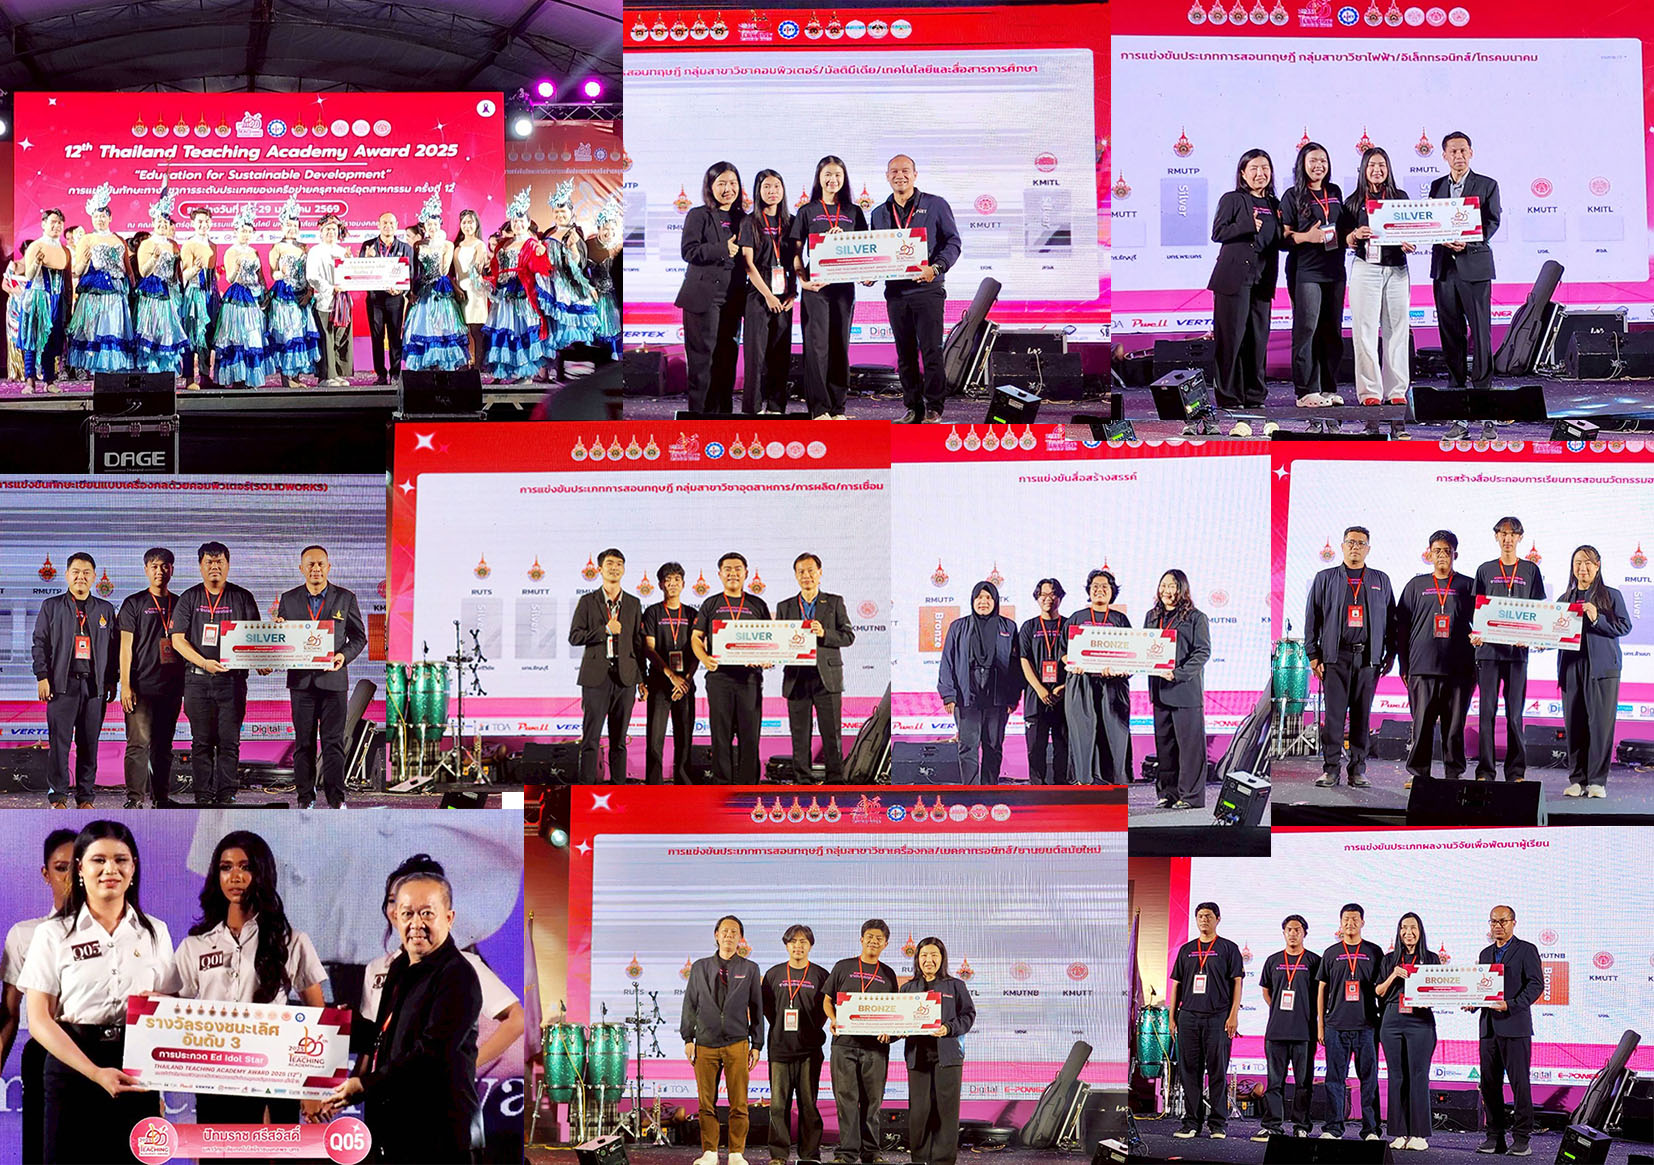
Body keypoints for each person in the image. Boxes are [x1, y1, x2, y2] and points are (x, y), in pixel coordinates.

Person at [20, 821, 176, 1165]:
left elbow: (170, 1008)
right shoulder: (52, 933)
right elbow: (39, 1020)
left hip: (136, 1072)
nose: (110, 869)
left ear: (133, 867)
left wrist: (164, 1008)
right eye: (98, 860)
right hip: (72, 1064)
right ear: (80, 868)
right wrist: (94, 1072)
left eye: (120, 860)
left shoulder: (156, 932)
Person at [321, 870, 483, 1164]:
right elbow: (387, 1038)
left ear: (449, 918)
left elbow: (431, 1054)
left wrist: (365, 1084)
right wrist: (346, 1024)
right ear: (395, 917)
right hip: (395, 1133)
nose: (416, 924)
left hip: (441, 1139)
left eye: (427, 913)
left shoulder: (457, 975)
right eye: (408, 913)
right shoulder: (399, 968)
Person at [174, 830, 327, 1127]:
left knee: (270, 1152)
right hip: (214, 1080)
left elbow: (318, 1018)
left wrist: (313, 1087)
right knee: (217, 1152)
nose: (235, 876)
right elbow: (167, 1011)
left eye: (246, 867)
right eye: (226, 867)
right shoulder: (196, 945)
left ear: (263, 873)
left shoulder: (292, 942)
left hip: (275, 1080)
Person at [357, 855, 526, 1083]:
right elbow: (371, 1044)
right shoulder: (378, 969)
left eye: (423, 907)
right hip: (387, 1091)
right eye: (393, 901)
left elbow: (516, 1019)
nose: (401, 910)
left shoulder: (463, 965)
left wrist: (467, 1065)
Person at [0, 828, 77, 1165]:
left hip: (101, 1054)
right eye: (61, 868)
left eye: (79, 866)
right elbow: (9, 1013)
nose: (71, 877)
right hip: (43, 1056)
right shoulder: (24, 935)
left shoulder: (124, 933)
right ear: (46, 874)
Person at [170, 541, 266, 806]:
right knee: (201, 741)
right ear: (200, 566)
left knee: (229, 741)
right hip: (197, 681)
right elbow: (177, 640)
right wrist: (204, 663)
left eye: (220, 562)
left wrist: (263, 661)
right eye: (209, 562)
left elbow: (256, 637)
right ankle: (202, 795)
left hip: (232, 681)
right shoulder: (189, 598)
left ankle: (227, 794)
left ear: (228, 565)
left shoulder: (242, 597)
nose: (215, 567)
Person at [276, 545, 368, 807]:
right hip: (301, 683)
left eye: (320, 564)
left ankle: (336, 800)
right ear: (301, 568)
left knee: (333, 744)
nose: (315, 569)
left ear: (328, 567)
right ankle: (305, 798)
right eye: (310, 564)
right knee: (303, 744)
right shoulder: (288, 599)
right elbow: (282, 641)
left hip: (333, 682)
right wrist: (278, 630)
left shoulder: (345, 598)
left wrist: (343, 656)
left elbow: (359, 637)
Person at [871, 155, 961, 424]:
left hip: (927, 289)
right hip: (896, 293)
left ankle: (934, 408)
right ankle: (913, 408)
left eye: (905, 171)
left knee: (932, 351)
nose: (900, 175)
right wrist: (869, 273)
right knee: (905, 353)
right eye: (894, 171)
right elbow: (875, 252)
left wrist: (936, 267)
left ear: (915, 175)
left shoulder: (935, 205)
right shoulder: (879, 213)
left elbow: (953, 242)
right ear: (887, 176)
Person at [1305, 527, 1397, 788]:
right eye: (1351, 542)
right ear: (1342, 546)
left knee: (1362, 716)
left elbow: (1392, 620)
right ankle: (1331, 769)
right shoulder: (1325, 578)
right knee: (1334, 717)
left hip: (1368, 658)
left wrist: (1390, 653)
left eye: (1361, 543)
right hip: (1335, 658)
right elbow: (1312, 618)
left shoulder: (1381, 579)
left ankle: (1357, 769)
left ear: (1368, 549)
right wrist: (1313, 654)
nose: (1355, 547)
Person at [31, 552, 118, 808]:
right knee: (59, 744)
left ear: (94, 577)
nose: (81, 577)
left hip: (93, 686)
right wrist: (42, 676)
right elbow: (39, 643)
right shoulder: (52, 606)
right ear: (67, 575)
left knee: (89, 744)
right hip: (61, 685)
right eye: (76, 572)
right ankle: (58, 796)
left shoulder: (104, 609)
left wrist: (111, 681)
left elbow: (113, 649)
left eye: (86, 573)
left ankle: (85, 797)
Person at [1468, 517, 1546, 781]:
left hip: (1517, 654)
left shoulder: (1530, 570)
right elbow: (1476, 610)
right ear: (1496, 537)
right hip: (1488, 653)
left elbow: (1538, 610)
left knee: (1514, 714)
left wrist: (1532, 636)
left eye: (1513, 534)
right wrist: (1476, 634)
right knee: (1486, 713)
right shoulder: (1485, 569)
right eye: (1503, 533)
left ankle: (1515, 771)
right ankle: (1485, 770)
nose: (1508, 538)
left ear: (1520, 538)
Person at [682, 915, 764, 1165]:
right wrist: (688, 1038)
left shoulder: (750, 969)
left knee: (739, 1102)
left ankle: (736, 1152)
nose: (729, 935)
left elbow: (757, 1008)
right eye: (725, 931)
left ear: (741, 938)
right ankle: (710, 1152)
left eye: (734, 932)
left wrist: (757, 1044)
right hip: (705, 1043)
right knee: (706, 1102)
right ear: (716, 935)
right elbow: (690, 1004)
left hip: (737, 1042)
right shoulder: (700, 967)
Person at [1396, 531, 1476, 787]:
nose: (1442, 555)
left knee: (1454, 727)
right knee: (1421, 725)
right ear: (1428, 554)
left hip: (1460, 669)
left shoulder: (1468, 586)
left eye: (1447, 551)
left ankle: (1454, 774)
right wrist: (1404, 665)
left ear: (1455, 554)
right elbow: (1401, 628)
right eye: (1437, 550)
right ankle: (1419, 774)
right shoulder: (1415, 585)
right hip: (1422, 667)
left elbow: (1483, 625)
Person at [1207, 150, 1283, 420]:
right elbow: (1218, 232)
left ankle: (1254, 395)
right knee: (1231, 339)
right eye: (1254, 168)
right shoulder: (1232, 199)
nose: (1260, 173)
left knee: (1257, 340)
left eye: (1265, 168)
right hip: (1234, 279)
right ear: (1242, 173)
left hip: (1262, 280)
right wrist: (1248, 224)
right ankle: (1229, 396)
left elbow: (1280, 239)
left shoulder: (1275, 203)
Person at [792, 155, 868, 420]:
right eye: (827, 174)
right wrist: (803, 280)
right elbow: (796, 252)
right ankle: (819, 408)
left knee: (839, 345)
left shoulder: (853, 212)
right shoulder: (807, 211)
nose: (832, 179)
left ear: (844, 179)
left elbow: (865, 249)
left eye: (837, 175)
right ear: (819, 178)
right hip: (816, 287)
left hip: (843, 288)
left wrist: (846, 244)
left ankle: (837, 408)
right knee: (817, 347)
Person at [1556, 544, 1633, 797]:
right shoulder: (1564, 599)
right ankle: (1577, 780)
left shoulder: (1611, 596)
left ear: (1597, 566)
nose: (1583, 568)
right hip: (1571, 667)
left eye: (1588, 563)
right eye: (1578, 563)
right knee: (1574, 724)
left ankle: (1597, 782)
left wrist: (1596, 617)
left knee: (1600, 726)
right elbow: (1554, 632)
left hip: (1602, 668)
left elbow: (1624, 627)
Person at [1429, 132, 1502, 396]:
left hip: (1475, 266)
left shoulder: (1487, 184)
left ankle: (1482, 385)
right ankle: (1455, 384)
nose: (1458, 156)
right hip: (1444, 268)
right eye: (1453, 151)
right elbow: (1432, 221)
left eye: (1463, 151)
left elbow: (1492, 221)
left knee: (1480, 329)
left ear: (1471, 153)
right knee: (1450, 329)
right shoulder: (1437, 186)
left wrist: (1468, 242)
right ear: (1444, 155)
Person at [822, 921, 900, 1165]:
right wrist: (833, 1019)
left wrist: (890, 1031)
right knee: (845, 1100)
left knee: (872, 1102)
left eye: (879, 938)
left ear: (885, 944)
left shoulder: (888, 974)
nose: (873, 941)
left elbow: (895, 1011)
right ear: (861, 939)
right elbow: (827, 1000)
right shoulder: (843, 967)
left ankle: (872, 1153)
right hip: (844, 1045)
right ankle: (846, 1153)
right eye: (869, 936)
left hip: (875, 1048)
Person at [692, 553, 774, 783]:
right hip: (720, 678)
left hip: (749, 679)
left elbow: (771, 639)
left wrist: (768, 658)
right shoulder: (711, 604)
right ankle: (722, 785)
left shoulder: (757, 604)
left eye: (738, 569)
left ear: (746, 573)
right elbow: (696, 637)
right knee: (721, 735)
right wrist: (704, 658)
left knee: (750, 736)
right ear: (719, 574)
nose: (733, 573)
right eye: (727, 569)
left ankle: (750, 787)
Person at [776, 553, 856, 783]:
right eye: (801, 571)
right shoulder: (785, 606)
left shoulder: (834, 602)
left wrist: (824, 633)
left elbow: (848, 636)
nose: (806, 575)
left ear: (820, 573)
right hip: (796, 678)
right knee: (799, 735)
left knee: (831, 733)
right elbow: (779, 641)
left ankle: (835, 780)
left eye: (811, 570)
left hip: (826, 678)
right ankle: (803, 781)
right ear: (795, 575)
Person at [1279, 142, 1348, 407]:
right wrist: (1306, 237)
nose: (1319, 166)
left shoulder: (1335, 191)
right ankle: (1306, 391)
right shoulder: (1292, 195)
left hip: (1335, 269)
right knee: (1307, 329)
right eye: (1313, 161)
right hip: (1306, 270)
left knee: (1332, 329)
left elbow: (1342, 226)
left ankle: (1328, 388)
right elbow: (1283, 236)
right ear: (1302, 165)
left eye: (1323, 161)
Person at [1344, 146, 1415, 405]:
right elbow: (1345, 238)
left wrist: (1409, 241)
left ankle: (1396, 391)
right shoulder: (1353, 201)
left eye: (1382, 165)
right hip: (1366, 268)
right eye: (1372, 165)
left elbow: (1411, 230)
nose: (1377, 170)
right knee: (1365, 330)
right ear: (1364, 169)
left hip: (1397, 269)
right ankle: (1370, 391)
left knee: (1397, 329)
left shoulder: (1400, 197)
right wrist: (1354, 235)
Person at [117, 547, 186, 808]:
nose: (160, 571)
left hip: (171, 688)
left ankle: (161, 798)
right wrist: (125, 685)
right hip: (140, 688)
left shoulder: (181, 603)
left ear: (172, 569)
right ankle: (135, 799)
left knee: (163, 747)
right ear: (146, 569)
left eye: (165, 566)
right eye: (154, 566)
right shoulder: (134, 603)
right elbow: (125, 647)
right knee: (138, 745)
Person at [1167, 902, 1243, 1139]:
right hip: (1189, 1016)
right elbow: (1176, 984)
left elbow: (1237, 982)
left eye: (1208, 916)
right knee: (1190, 1071)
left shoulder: (1228, 948)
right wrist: (1172, 1016)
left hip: (1218, 1017)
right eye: (1200, 916)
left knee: (1218, 1070)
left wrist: (1233, 1014)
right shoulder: (1187, 949)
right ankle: (1191, 1122)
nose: (1203, 920)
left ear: (1218, 919)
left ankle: (1218, 1124)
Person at [569, 548, 645, 784]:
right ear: (599, 569)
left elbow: (638, 644)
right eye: (610, 564)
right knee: (591, 738)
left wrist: (642, 679)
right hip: (595, 678)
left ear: (624, 569)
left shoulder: (633, 603)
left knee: (619, 740)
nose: (615, 568)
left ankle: (618, 787)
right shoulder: (587, 601)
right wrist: (604, 630)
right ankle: (586, 787)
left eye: (619, 564)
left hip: (626, 678)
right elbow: (575, 637)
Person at [1471, 905, 1541, 1157]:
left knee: (1520, 1084)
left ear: (1513, 923)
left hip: (1515, 1026)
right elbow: (1482, 988)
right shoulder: (1485, 953)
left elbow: (1536, 985)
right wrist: (1473, 1001)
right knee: (1489, 1084)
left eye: (1502, 921)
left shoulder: (1526, 950)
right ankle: (1495, 1136)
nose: (1497, 926)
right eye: (1493, 922)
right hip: (1488, 1028)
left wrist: (1510, 1004)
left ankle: (1522, 1138)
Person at [678, 162, 748, 413]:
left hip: (733, 298)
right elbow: (689, 251)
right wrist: (722, 249)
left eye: (733, 183)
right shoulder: (698, 215)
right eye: (722, 183)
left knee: (727, 357)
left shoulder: (744, 219)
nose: (728, 189)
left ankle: (723, 416)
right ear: (710, 186)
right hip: (703, 297)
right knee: (702, 360)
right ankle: (699, 417)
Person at [901, 937, 976, 1165]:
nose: (929, 960)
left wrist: (948, 1028)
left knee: (946, 1111)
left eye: (934, 955)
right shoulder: (908, 988)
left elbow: (968, 1016)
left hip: (948, 1057)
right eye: (924, 955)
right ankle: (919, 1159)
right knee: (919, 1111)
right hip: (918, 1057)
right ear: (917, 959)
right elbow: (899, 1020)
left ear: (942, 958)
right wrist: (892, 1032)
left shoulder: (956, 986)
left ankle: (943, 1160)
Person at [937, 581, 1021, 784]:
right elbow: (947, 661)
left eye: (988, 598)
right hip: (967, 694)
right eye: (979, 598)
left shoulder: (1008, 627)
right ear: (972, 601)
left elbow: (1015, 666)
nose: (983, 602)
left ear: (996, 601)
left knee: (993, 745)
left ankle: (990, 789)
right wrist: (948, 694)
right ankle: (970, 789)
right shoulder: (958, 627)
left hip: (998, 696)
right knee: (968, 746)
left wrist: (1012, 698)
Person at [1316, 903, 1384, 1142]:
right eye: (1346, 919)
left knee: (1369, 1080)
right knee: (1334, 1080)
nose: (1350, 923)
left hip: (1367, 1026)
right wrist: (1321, 1024)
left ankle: (1371, 1130)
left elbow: (1381, 989)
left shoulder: (1374, 951)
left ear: (1362, 922)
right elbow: (1322, 988)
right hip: (1335, 1026)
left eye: (1355, 919)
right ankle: (1333, 1128)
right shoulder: (1331, 953)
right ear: (1340, 922)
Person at [763, 924, 830, 1165]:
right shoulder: (773, 974)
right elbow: (768, 1009)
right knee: (778, 1105)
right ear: (786, 945)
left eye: (803, 941)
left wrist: (810, 1029)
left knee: (808, 1104)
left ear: (810, 945)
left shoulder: (821, 975)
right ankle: (778, 1154)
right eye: (793, 941)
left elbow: (825, 1010)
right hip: (780, 1049)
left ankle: (810, 1154)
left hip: (809, 1050)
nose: (798, 946)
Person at [1374, 912, 1439, 1152]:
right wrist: (1394, 973)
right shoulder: (1389, 959)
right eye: (1403, 928)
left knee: (1418, 1075)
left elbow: (1438, 990)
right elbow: (1379, 991)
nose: (1408, 933)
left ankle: (1419, 1134)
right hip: (1392, 1019)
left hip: (1420, 1020)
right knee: (1396, 1076)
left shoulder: (1431, 958)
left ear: (1420, 931)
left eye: (1413, 928)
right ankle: (1399, 1132)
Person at [1148, 570, 1212, 809]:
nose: (1166, 590)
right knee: (1165, 746)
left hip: (1185, 691)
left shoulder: (1196, 617)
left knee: (1190, 748)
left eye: (1172, 586)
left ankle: (1191, 796)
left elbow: (1202, 652)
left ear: (1182, 589)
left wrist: (1178, 673)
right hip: (1159, 690)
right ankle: (1168, 793)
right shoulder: (1152, 616)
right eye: (1163, 585)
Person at [1065, 569, 1133, 785]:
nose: (1099, 590)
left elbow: (1132, 654)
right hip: (1082, 683)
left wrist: (1123, 669)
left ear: (1112, 591)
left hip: (1112, 685)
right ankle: (1083, 781)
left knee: (1113, 735)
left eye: (1104, 586)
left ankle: (1113, 784)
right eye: (1095, 586)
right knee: (1082, 733)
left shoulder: (1120, 619)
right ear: (1088, 591)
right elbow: (1063, 652)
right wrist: (1071, 663)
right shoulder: (1077, 618)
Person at [1255, 914, 1320, 1141]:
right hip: (1276, 1032)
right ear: (1283, 933)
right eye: (1289, 930)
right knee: (1274, 1083)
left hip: (1305, 1032)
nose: (1293, 933)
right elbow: (1266, 990)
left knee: (1303, 1083)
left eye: (1297, 930)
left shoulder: (1314, 961)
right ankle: (1272, 1125)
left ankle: (1301, 1126)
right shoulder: (1273, 960)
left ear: (1305, 933)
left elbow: (1321, 994)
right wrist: (1278, 1009)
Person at [739, 169, 797, 415]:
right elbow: (748, 264)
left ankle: (776, 407)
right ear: (758, 191)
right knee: (755, 354)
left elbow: (796, 259)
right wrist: (768, 295)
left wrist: (793, 293)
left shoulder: (791, 221)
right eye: (767, 187)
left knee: (780, 353)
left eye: (776, 186)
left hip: (784, 292)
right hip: (758, 292)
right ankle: (752, 409)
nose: (772, 191)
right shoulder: (750, 222)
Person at [481, 190, 554, 385]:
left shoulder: (531, 243)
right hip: (503, 292)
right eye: (514, 220)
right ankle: (501, 371)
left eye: (521, 220)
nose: (518, 224)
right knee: (502, 330)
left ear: (528, 222)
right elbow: (496, 267)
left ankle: (525, 374)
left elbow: (542, 269)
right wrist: (489, 279)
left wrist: (541, 254)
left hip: (521, 292)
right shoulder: (504, 243)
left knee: (521, 330)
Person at [64, 183, 134, 377]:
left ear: (110, 217)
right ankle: (96, 370)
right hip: (95, 290)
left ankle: (112, 367)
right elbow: (77, 270)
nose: (99, 219)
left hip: (116, 290)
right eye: (96, 216)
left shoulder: (119, 239)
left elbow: (127, 269)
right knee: (95, 328)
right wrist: (84, 261)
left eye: (103, 216)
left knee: (114, 326)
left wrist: (131, 284)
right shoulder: (87, 239)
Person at [642, 562, 699, 785]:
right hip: (659, 683)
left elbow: (697, 650)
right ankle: (654, 784)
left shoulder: (692, 613)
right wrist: (671, 676)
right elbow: (649, 649)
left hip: (685, 684)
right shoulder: (652, 612)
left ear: (683, 584)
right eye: (668, 580)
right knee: (655, 738)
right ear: (660, 585)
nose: (672, 584)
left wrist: (686, 680)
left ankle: (683, 783)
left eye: (677, 580)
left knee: (684, 737)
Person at [403, 192, 471, 372]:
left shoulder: (447, 244)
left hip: (440, 287)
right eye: (428, 224)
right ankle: (427, 362)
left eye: (435, 224)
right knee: (423, 324)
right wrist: (413, 290)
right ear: (424, 226)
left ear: (440, 224)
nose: (432, 227)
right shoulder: (418, 245)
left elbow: (444, 270)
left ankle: (443, 362)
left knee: (441, 323)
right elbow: (415, 270)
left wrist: (438, 248)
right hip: (423, 288)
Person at [259, 193, 318, 388]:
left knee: (300, 335)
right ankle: (286, 378)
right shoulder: (277, 247)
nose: (292, 229)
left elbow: (309, 273)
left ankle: (297, 377)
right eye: (288, 225)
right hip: (284, 296)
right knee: (287, 335)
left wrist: (309, 292)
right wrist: (281, 274)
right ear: (281, 227)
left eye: (295, 225)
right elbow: (272, 273)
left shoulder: (304, 247)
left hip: (301, 295)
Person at [131, 186, 189, 377]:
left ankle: (165, 371)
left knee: (168, 331)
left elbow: (176, 272)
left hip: (170, 293)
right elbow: (143, 272)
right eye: (159, 222)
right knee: (152, 329)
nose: (163, 225)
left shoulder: (173, 245)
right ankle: (150, 368)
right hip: (152, 293)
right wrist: (154, 259)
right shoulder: (147, 244)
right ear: (153, 222)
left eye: (166, 222)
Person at [542, 182, 602, 365]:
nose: (560, 215)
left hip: (567, 287)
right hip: (549, 285)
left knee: (568, 329)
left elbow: (578, 264)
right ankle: (554, 368)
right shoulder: (548, 233)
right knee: (553, 328)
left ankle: (573, 368)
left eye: (563, 211)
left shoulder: (574, 234)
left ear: (571, 213)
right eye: (557, 212)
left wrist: (573, 247)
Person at [214, 205, 272, 388]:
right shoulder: (231, 251)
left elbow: (260, 275)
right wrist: (238, 268)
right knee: (237, 336)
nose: (246, 234)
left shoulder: (254, 252)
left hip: (254, 297)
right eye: (243, 231)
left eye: (249, 231)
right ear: (236, 231)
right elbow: (229, 278)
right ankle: (237, 377)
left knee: (252, 336)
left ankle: (250, 377)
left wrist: (265, 292)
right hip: (238, 297)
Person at [1019, 578, 1070, 784]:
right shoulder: (1029, 627)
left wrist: (1064, 688)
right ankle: (1037, 789)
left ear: (1060, 597)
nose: (1048, 599)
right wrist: (1039, 689)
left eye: (1053, 594)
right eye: (1044, 595)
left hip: (1064, 697)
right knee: (1035, 749)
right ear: (1037, 598)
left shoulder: (1069, 625)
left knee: (1063, 748)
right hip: (1036, 697)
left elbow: (1077, 660)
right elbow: (1024, 659)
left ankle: (1063, 789)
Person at [15, 208, 71, 393]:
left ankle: (49, 380)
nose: (57, 226)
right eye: (53, 222)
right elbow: (29, 275)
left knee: (51, 341)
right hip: (38, 298)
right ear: (44, 224)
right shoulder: (36, 246)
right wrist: (37, 263)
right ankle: (29, 381)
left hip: (56, 299)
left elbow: (67, 279)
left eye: (60, 222)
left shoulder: (64, 250)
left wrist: (68, 303)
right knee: (32, 340)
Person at [359, 210, 413, 384]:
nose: (388, 226)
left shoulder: (405, 248)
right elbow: (360, 272)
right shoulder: (368, 246)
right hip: (375, 299)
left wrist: (401, 290)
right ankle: (381, 374)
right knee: (377, 337)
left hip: (395, 299)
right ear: (378, 225)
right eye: (385, 223)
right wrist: (366, 259)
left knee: (395, 336)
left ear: (396, 226)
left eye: (391, 223)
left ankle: (396, 373)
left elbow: (411, 273)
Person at [306, 213, 354, 386]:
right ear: (321, 231)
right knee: (327, 337)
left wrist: (351, 262)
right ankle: (326, 376)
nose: (331, 232)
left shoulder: (343, 251)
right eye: (327, 229)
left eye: (334, 229)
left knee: (341, 337)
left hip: (343, 301)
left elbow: (352, 274)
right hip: (325, 300)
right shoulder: (315, 251)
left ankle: (338, 373)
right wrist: (331, 288)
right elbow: (312, 276)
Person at [179, 206, 221, 390]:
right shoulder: (189, 245)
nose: (204, 225)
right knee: (192, 335)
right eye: (200, 221)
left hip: (211, 294)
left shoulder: (213, 245)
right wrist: (196, 269)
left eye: (207, 221)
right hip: (194, 295)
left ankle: (205, 376)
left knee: (208, 334)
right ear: (192, 224)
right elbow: (184, 275)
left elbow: (213, 273)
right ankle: (189, 378)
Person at [451, 208, 492, 367]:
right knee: (462, 331)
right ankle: (463, 365)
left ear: (476, 224)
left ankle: (478, 367)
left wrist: (479, 266)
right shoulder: (456, 246)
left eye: (470, 222)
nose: (467, 226)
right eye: (464, 222)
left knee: (476, 331)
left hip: (475, 292)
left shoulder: (479, 245)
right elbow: (453, 271)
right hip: (459, 291)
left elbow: (478, 266)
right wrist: (456, 288)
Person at [588, 196, 624, 358]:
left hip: (616, 297)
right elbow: (580, 270)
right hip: (595, 296)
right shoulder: (589, 246)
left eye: (612, 229)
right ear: (599, 228)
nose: (609, 233)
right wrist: (588, 286)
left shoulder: (621, 248)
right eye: (605, 229)